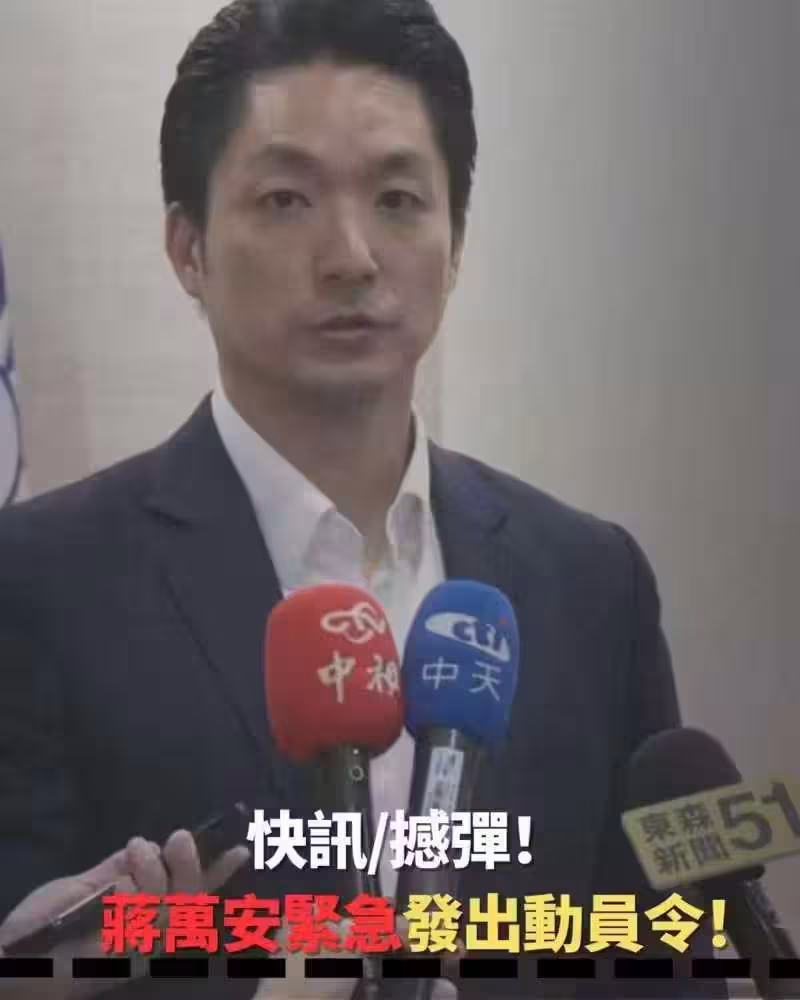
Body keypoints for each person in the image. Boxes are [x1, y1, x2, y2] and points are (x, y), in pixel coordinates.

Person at [0, 0, 723, 997]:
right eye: (286, 199)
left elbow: (663, 962)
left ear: (455, 242)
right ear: (187, 247)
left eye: (397, 199)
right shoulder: (39, 583)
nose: (351, 256)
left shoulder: (592, 580)